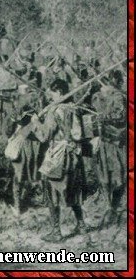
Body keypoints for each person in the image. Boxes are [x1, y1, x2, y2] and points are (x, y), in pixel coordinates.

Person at [32, 79, 92, 241]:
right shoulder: (74, 108)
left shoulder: (55, 111)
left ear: (58, 92)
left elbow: (45, 136)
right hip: (74, 155)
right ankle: (81, 225)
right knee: (73, 189)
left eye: (52, 92)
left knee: (51, 190)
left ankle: (56, 232)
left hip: (58, 155)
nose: (50, 95)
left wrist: (36, 122)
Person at [91, 70, 127, 227]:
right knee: (105, 175)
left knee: (119, 175)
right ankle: (109, 206)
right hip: (105, 140)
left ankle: (114, 206)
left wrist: (103, 117)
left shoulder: (119, 97)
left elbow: (120, 116)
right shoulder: (101, 97)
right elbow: (94, 105)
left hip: (117, 141)